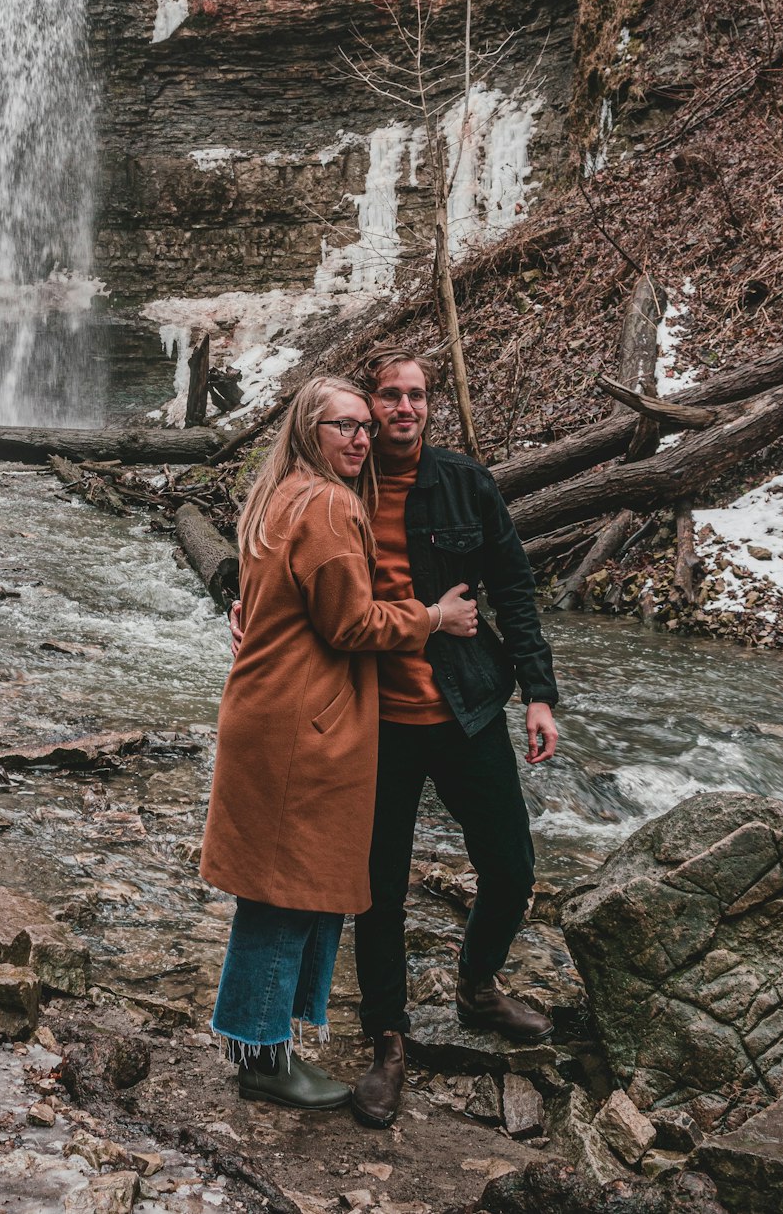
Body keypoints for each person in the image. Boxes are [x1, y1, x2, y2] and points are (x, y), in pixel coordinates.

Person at [200, 375, 475, 1112]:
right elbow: (351, 624)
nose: (359, 437)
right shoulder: (327, 503)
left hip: (275, 711)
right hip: (302, 726)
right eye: (341, 426)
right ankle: (262, 1057)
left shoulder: (281, 491)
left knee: (288, 886)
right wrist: (432, 616)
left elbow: (270, 601)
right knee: (287, 893)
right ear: (309, 430)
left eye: (363, 425)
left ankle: (260, 1042)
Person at [347, 342, 559, 1130]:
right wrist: (243, 597)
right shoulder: (343, 484)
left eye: (417, 395)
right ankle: (388, 1039)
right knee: (379, 891)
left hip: (464, 707)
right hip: (374, 724)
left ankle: (476, 986)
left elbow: (514, 585)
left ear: (429, 403)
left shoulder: (466, 483)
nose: (405, 407)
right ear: (368, 404)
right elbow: (288, 559)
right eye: (390, 395)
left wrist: (539, 693)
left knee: (511, 863)